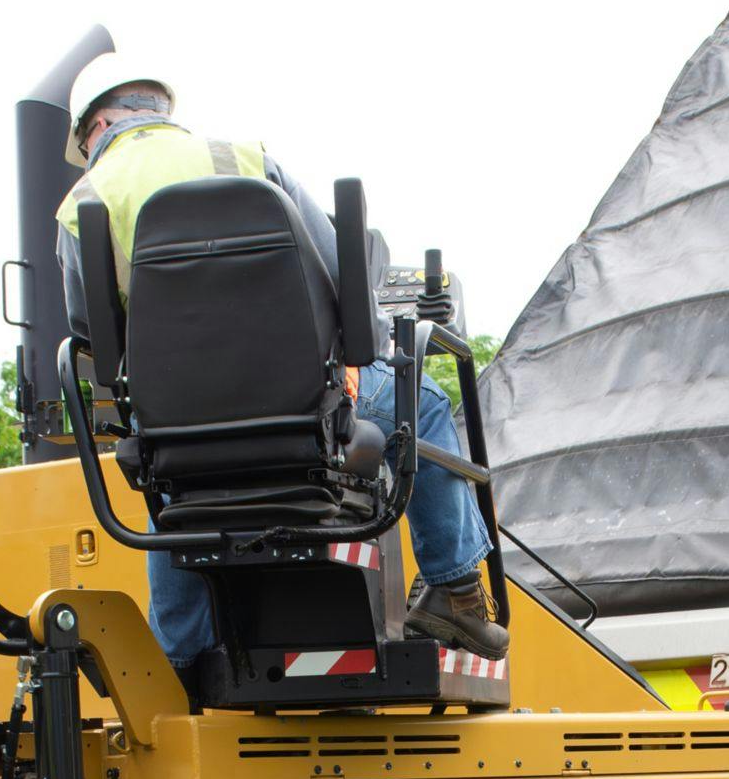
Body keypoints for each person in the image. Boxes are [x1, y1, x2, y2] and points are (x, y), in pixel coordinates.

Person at [55, 51, 510, 665]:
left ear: (97, 127)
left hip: (174, 428)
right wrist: (368, 350)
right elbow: (334, 265)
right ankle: (455, 586)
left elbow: (90, 331)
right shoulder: (242, 157)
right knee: (421, 402)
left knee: (170, 498)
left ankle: (182, 660)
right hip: (301, 411)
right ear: (158, 109)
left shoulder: (84, 201)